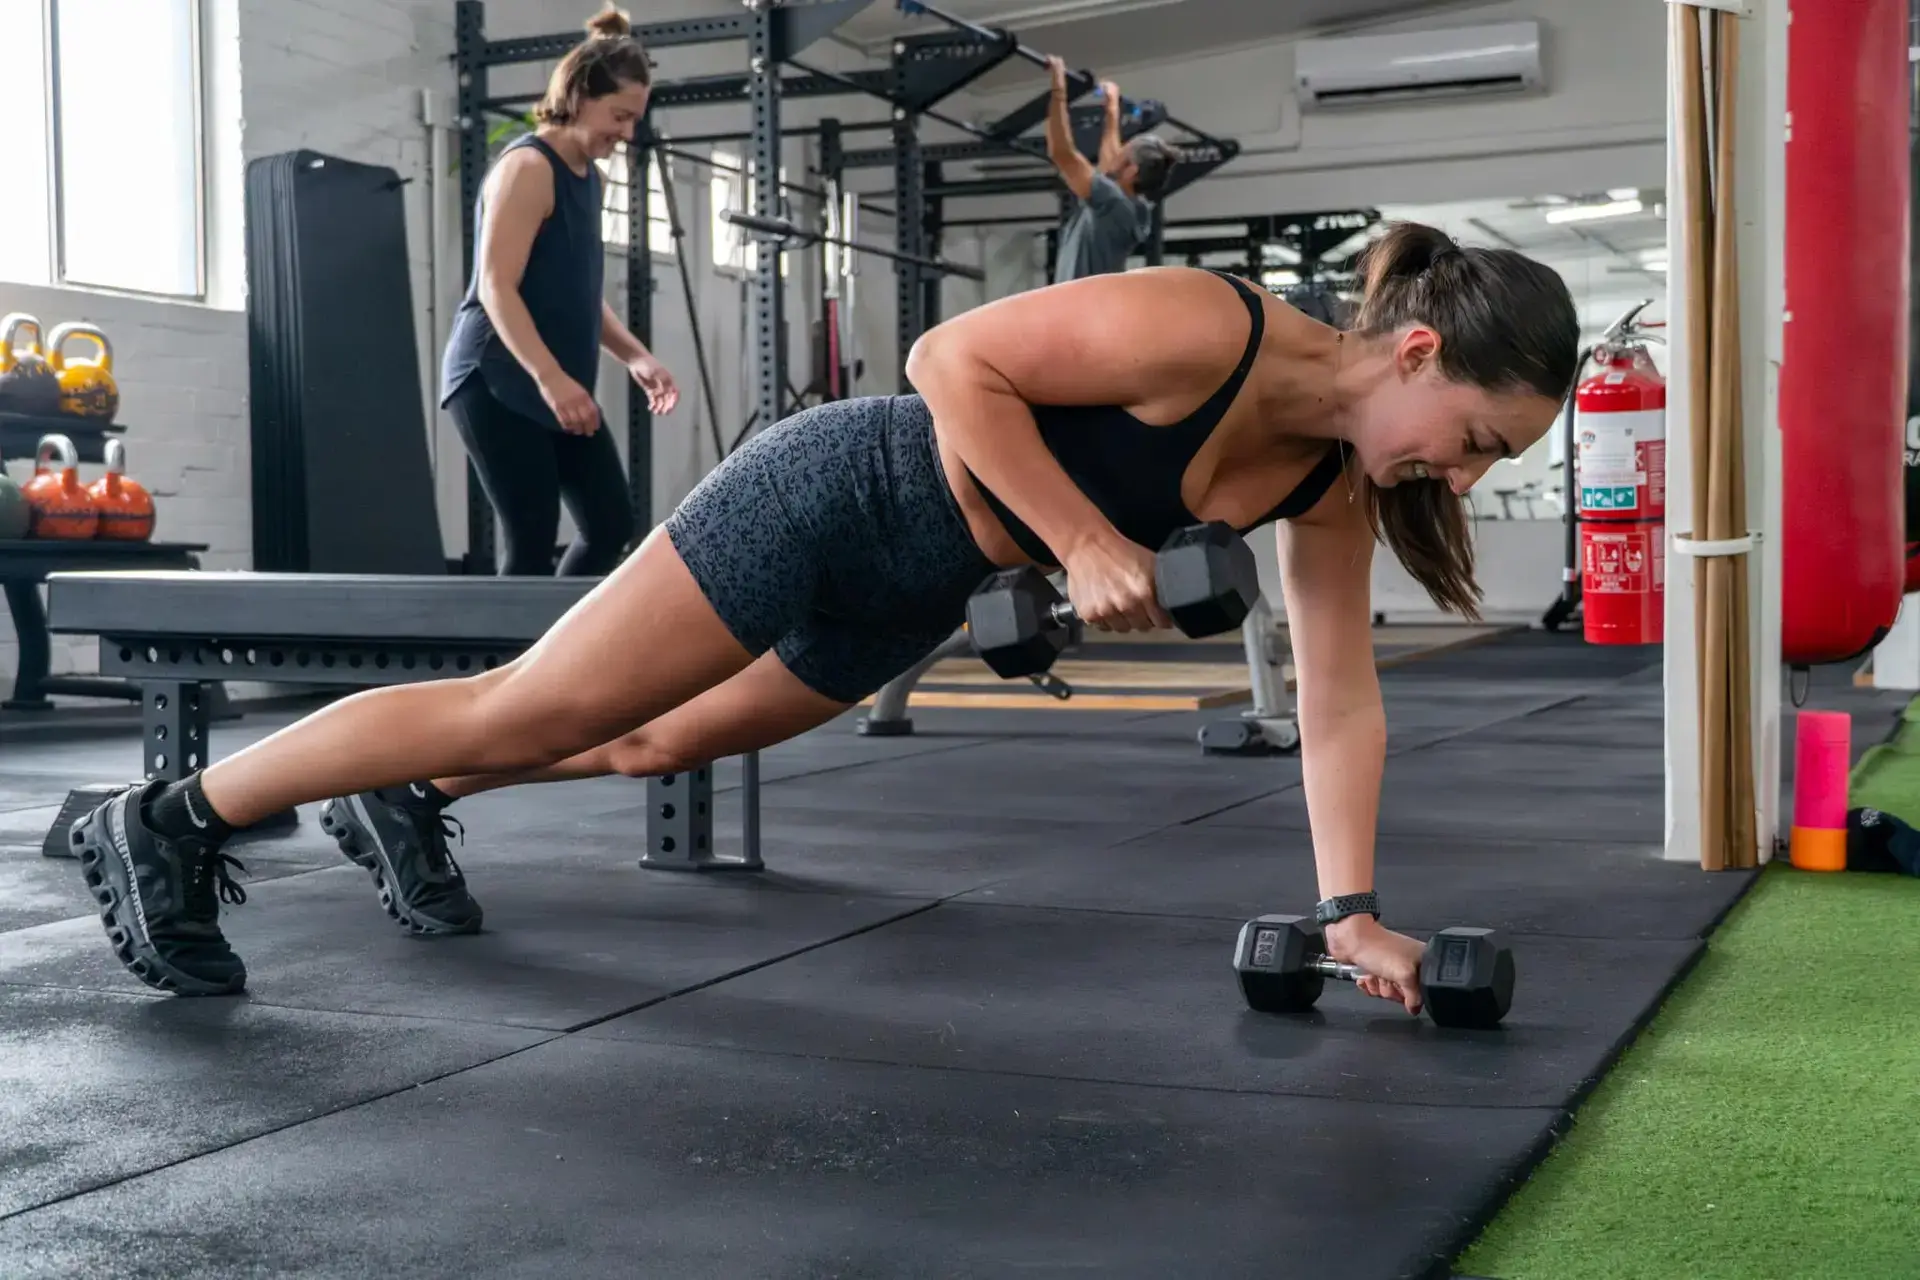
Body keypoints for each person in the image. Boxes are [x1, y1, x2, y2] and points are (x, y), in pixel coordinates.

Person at [72, 222, 1578, 1020]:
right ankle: (166, 815)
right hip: (836, 493)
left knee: (644, 741)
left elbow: (1337, 697)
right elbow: (946, 357)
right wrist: (1083, 535)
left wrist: (1347, 912)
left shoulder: (1327, 486)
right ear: (1423, 350)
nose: (1461, 473)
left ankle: (403, 795)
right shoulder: (1210, 323)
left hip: (910, 589)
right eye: (1479, 439)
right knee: (531, 705)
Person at [439, 5, 680, 577]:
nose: (626, 133)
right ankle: (512, 666)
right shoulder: (528, 168)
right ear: (578, 96)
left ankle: (557, 657)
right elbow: (497, 286)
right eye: (619, 116)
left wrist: (636, 356)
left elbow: (575, 291)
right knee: (530, 536)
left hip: (557, 382)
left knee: (610, 523)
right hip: (494, 377)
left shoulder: (590, 180)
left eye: (633, 120)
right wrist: (552, 380)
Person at [1044, 56, 1177, 284]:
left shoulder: (1113, 203)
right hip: (1083, 309)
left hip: (1077, 311)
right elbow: (1110, 165)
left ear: (1131, 171)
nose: (1118, 151)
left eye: (1124, 151)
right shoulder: (1137, 210)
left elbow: (1061, 153)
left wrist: (1059, 90)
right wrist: (1112, 111)